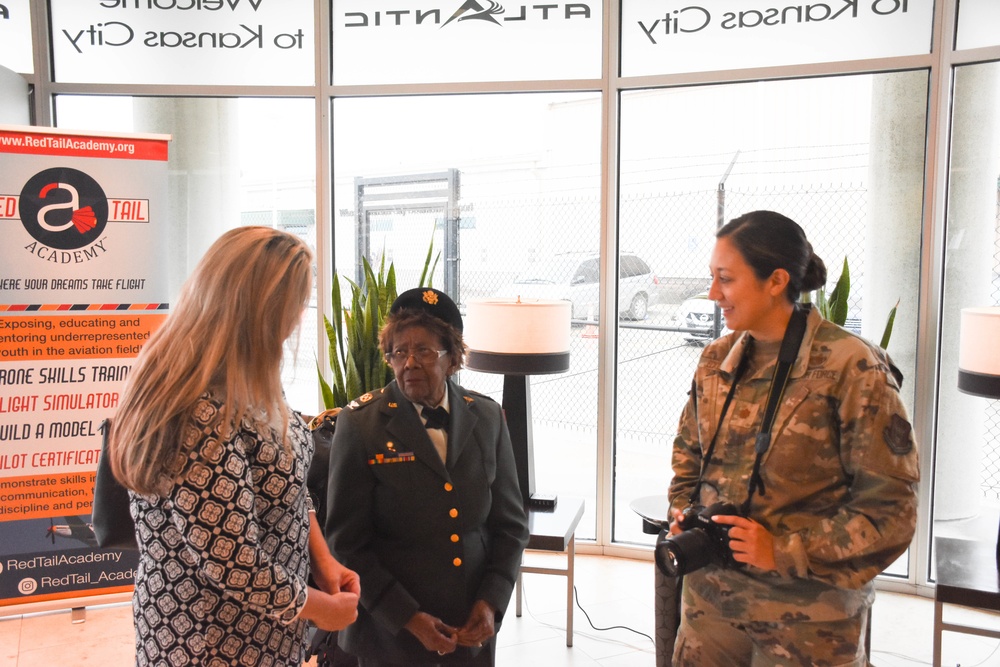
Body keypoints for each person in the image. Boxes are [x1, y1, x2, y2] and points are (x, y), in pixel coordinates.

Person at [666, 210, 920, 666]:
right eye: (712, 277)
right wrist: (684, 511)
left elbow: (892, 511)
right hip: (711, 609)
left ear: (776, 280)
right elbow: (688, 455)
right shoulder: (714, 362)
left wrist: (783, 550)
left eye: (726, 279)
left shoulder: (853, 368)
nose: (712, 294)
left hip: (809, 624)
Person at [108, 226, 360, 666]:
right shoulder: (196, 410)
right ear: (257, 311)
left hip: (267, 628)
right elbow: (232, 561)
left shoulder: (252, 373)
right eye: (293, 305)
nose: (298, 318)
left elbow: (286, 483)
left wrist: (322, 560)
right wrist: (326, 610)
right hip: (209, 640)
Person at [323, 287, 530, 666]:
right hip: (389, 636)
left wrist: (491, 604)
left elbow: (511, 526)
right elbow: (346, 542)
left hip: (470, 632)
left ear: (453, 359)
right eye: (399, 352)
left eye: (425, 351)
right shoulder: (361, 425)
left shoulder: (486, 419)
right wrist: (407, 618)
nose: (410, 363)